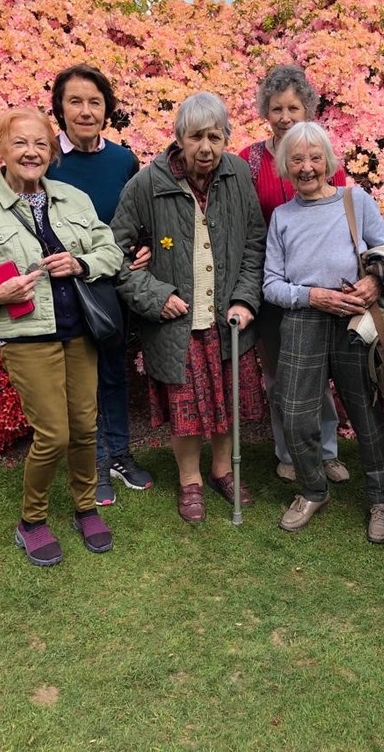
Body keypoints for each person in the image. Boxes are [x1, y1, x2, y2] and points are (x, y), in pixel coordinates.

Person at [0, 107, 123, 566]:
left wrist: (81, 263)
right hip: (27, 338)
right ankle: (33, 521)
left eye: (41, 144)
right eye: (20, 143)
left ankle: (85, 508)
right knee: (54, 434)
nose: (31, 152)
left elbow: (110, 251)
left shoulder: (72, 199)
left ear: (52, 153)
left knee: (85, 428)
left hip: (79, 332)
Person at [110, 91, 266, 524]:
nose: (206, 148)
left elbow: (255, 241)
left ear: (226, 138)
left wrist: (244, 298)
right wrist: (156, 297)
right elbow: (113, 255)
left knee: (225, 403)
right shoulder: (147, 184)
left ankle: (221, 471)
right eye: (195, 136)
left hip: (227, 318)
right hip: (176, 322)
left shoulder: (236, 173)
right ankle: (190, 481)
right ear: (178, 137)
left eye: (215, 137)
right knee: (186, 409)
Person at [263, 121, 384, 543]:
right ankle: (313, 490)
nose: (306, 167)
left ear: (328, 162)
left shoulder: (356, 201)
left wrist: (375, 281)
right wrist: (312, 297)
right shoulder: (282, 218)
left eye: (314, 158)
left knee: (365, 413)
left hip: (357, 319)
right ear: (286, 165)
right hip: (305, 320)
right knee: (296, 414)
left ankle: (382, 499)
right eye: (297, 159)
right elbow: (270, 284)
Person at [47, 64, 153, 506]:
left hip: (110, 283)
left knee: (112, 371)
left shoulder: (122, 159)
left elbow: (135, 215)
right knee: (78, 378)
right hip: (63, 285)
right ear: (60, 108)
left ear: (107, 108)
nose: (86, 111)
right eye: (76, 101)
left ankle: (119, 455)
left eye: (95, 102)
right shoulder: (45, 155)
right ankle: (91, 460)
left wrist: (145, 246)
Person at [239, 64, 349, 485]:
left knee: (317, 375)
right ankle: (288, 451)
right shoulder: (250, 160)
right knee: (279, 377)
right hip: (273, 285)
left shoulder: (321, 156)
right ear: (265, 111)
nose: (285, 116)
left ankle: (325, 451)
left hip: (319, 285)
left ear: (308, 109)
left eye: (293, 107)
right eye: (276, 107)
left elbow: (343, 214)